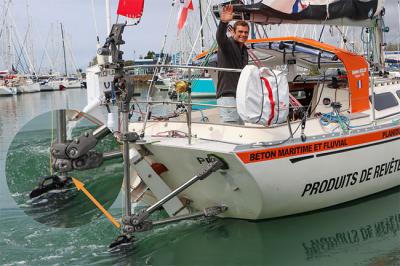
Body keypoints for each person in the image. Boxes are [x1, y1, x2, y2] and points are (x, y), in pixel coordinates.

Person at [216, 4, 249, 124]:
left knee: (241, 128)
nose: (243, 35)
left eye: (246, 32)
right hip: (227, 96)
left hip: (240, 97)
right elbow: (220, 37)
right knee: (232, 128)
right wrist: (223, 23)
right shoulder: (227, 45)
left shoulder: (245, 51)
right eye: (240, 32)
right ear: (234, 32)